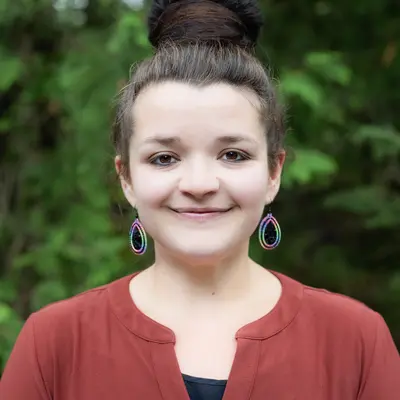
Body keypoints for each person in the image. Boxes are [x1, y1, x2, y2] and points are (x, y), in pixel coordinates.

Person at [1, 0, 399, 399]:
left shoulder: (355, 342)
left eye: (232, 155)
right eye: (164, 158)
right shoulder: (53, 345)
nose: (199, 184)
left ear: (274, 173)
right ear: (126, 178)